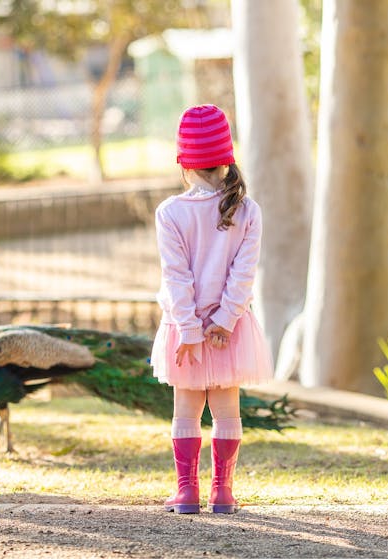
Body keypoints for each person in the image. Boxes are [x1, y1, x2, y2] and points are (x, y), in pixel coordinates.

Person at [150, 104, 274, 514]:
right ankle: (223, 493)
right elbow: (244, 274)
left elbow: (176, 276)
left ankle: (187, 493)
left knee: (185, 411)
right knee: (227, 411)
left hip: (184, 329)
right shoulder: (248, 210)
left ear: (184, 163)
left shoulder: (170, 213)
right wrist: (224, 320)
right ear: (227, 157)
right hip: (231, 330)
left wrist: (188, 330)